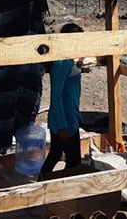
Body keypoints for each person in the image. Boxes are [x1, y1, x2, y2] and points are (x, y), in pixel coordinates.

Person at [40, 23, 85, 176]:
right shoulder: (62, 63)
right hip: (65, 120)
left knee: (56, 155)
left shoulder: (67, 62)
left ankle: (43, 186)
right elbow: (56, 96)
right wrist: (63, 126)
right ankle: (64, 191)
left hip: (69, 118)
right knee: (73, 162)